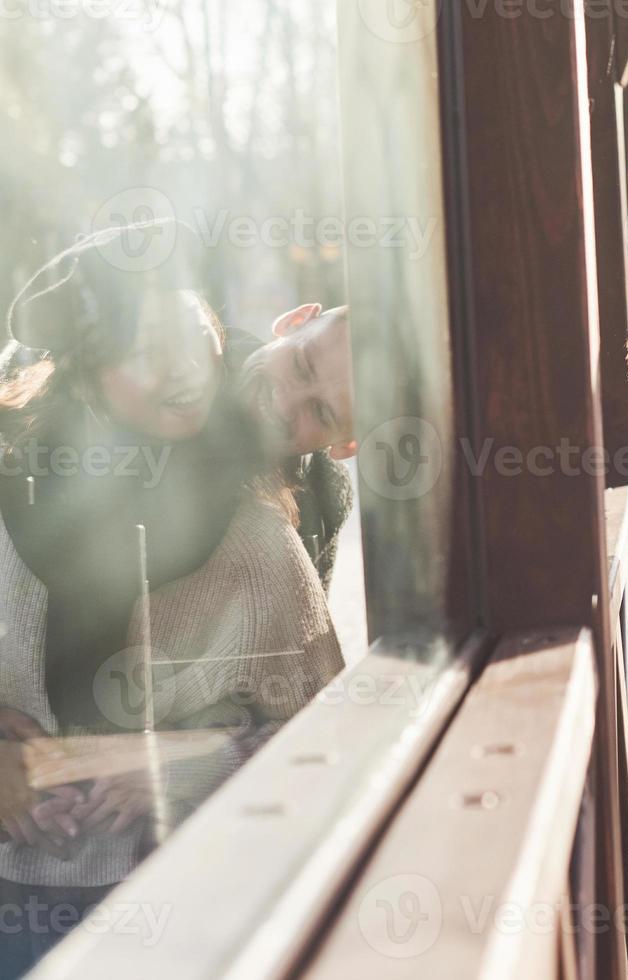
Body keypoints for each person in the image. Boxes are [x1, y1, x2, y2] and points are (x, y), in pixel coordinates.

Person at [0, 225, 345, 974]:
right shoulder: (9, 506)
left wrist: (185, 761)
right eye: (143, 348)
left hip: (188, 901)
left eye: (194, 336)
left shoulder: (262, 533)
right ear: (88, 378)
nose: (183, 369)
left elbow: (327, 735)